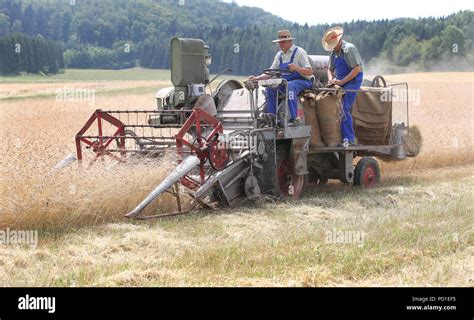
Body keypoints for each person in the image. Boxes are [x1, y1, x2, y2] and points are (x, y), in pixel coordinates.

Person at [249, 30, 314, 125]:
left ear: (289, 41)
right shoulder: (279, 55)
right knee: (270, 88)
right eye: (279, 42)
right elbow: (271, 73)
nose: (280, 44)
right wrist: (257, 78)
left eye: (282, 42)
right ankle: (273, 118)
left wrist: (296, 68)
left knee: (290, 87)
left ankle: (294, 118)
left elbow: (310, 71)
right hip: (285, 82)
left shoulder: (299, 52)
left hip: (303, 81)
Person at [322, 26, 364, 146]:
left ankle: (349, 139)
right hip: (340, 80)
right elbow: (329, 69)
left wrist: (341, 82)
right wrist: (331, 80)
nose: (332, 47)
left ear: (338, 40)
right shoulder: (333, 53)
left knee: (343, 106)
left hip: (353, 80)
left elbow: (357, 69)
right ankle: (336, 136)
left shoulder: (349, 49)